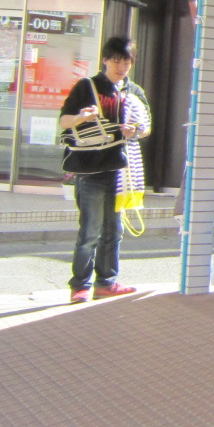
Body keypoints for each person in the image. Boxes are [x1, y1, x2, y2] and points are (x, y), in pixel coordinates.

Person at [59, 36, 147, 304]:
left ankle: (106, 282)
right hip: (91, 171)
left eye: (127, 62)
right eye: (117, 61)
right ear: (105, 60)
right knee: (90, 232)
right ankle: (80, 285)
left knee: (114, 231)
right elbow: (64, 121)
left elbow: (146, 127)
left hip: (121, 172)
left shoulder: (134, 91)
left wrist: (137, 131)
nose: (122, 67)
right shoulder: (87, 86)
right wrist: (81, 118)